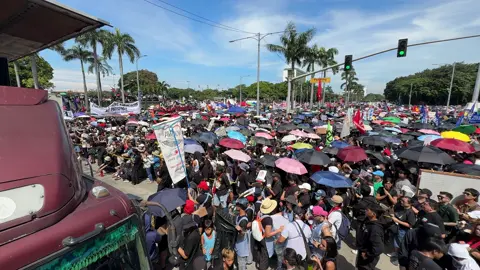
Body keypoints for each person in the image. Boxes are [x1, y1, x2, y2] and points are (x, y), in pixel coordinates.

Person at [356, 204, 385, 270]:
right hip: (362, 251)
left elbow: (379, 248)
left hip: (368, 259)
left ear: (373, 214)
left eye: (367, 210)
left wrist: (367, 255)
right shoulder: (367, 220)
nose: (365, 211)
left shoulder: (375, 229)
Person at [234, 198, 251, 270]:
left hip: (242, 246)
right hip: (237, 244)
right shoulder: (238, 216)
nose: (236, 206)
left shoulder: (243, 220)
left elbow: (242, 234)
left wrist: (240, 230)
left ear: (240, 206)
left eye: (237, 204)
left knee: (241, 264)